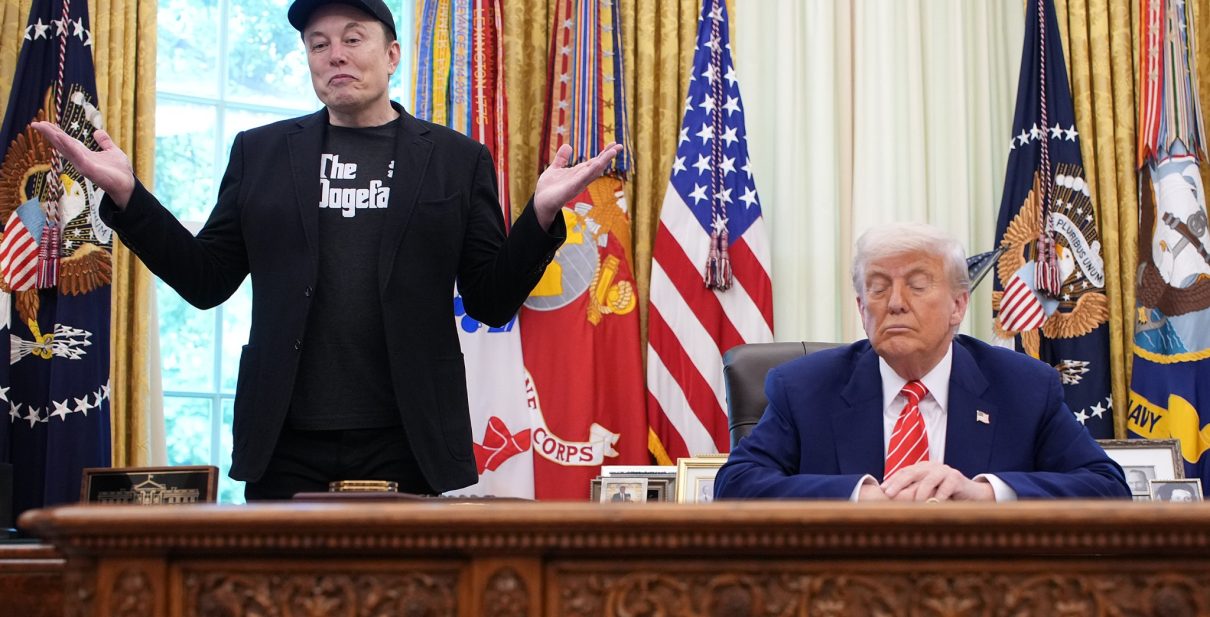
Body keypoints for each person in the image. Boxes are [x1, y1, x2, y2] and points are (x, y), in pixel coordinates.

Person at [33, 0, 621, 500]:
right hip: (285, 440)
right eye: (319, 44)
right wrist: (129, 197)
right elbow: (206, 279)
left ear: (392, 55)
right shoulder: (260, 153)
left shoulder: (455, 160)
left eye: (353, 39)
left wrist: (540, 217)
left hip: (409, 436)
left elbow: (490, 300)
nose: (335, 54)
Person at [714, 222, 1130, 501]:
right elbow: (736, 484)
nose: (895, 303)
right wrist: (859, 496)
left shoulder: (1024, 387)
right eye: (878, 288)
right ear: (861, 308)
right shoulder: (804, 388)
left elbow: (1106, 487)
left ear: (958, 305)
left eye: (916, 285)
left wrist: (984, 493)